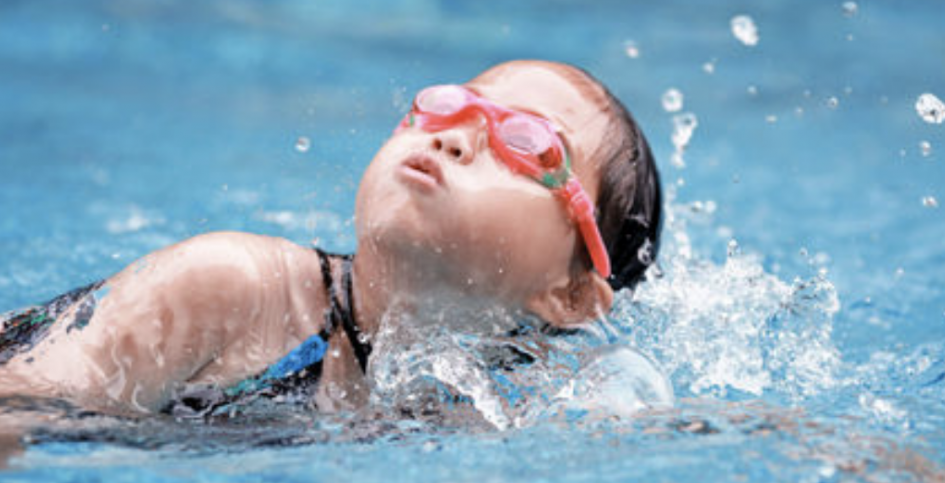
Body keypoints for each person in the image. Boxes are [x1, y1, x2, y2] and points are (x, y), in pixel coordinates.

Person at [0, 60, 662, 417]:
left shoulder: (502, 401)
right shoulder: (231, 288)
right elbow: (18, 406)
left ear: (571, 298)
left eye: (528, 144)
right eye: (452, 104)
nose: (454, 136)